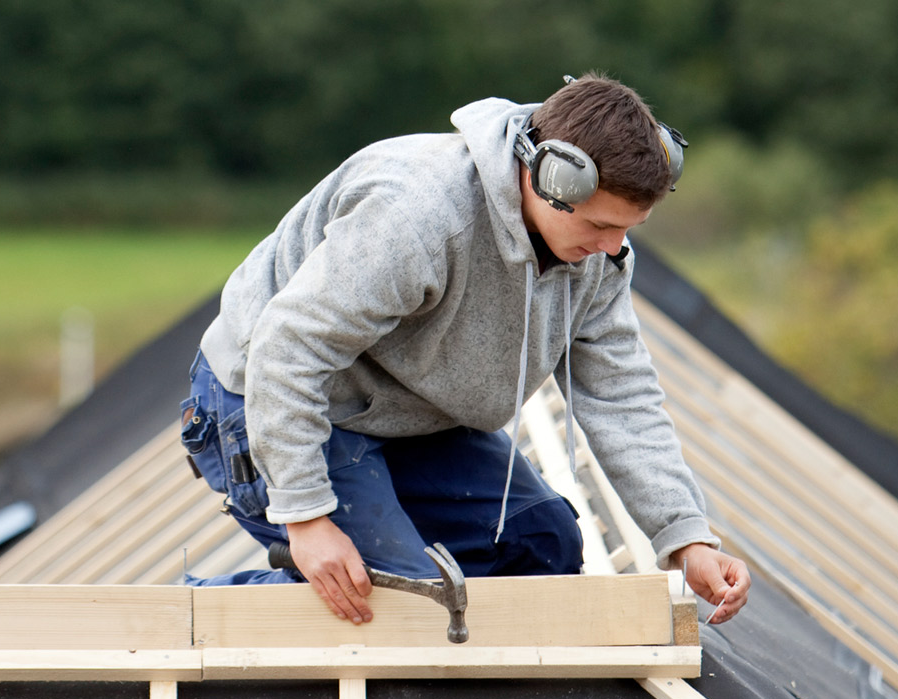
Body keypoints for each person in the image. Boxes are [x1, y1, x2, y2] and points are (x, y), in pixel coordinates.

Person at [178, 72, 749, 628]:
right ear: (549, 178)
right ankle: (194, 614)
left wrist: (685, 537)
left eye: (630, 228)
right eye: (602, 225)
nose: (613, 247)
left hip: (403, 414)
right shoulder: (420, 217)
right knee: (409, 610)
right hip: (267, 400)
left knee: (541, 548)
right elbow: (288, 349)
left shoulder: (598, 259)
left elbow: (623, 397)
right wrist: (306, 519)